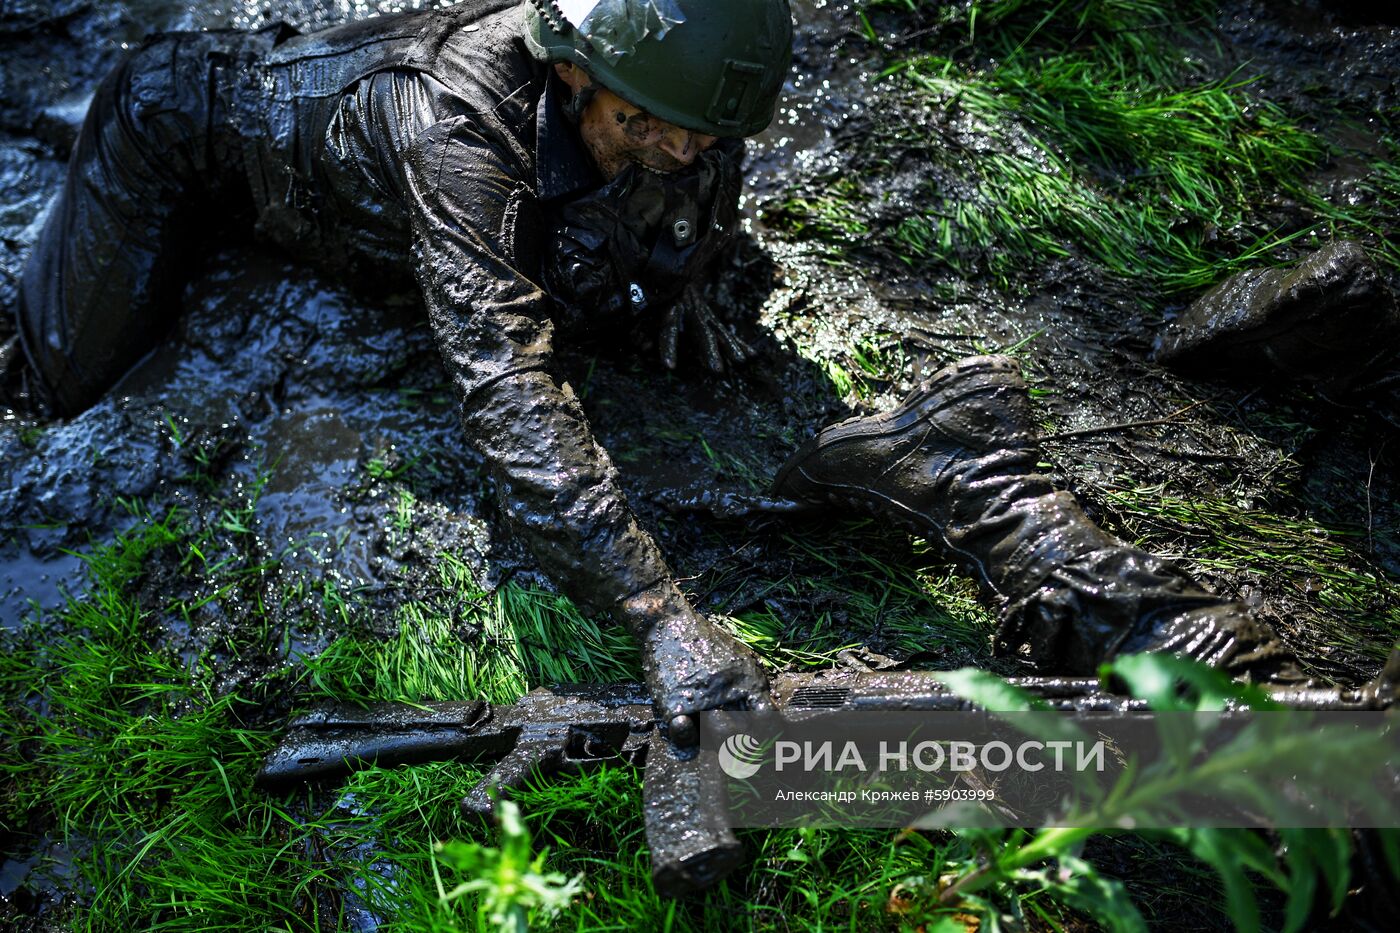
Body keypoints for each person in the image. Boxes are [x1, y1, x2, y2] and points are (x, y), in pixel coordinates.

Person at [3, 0, 1384, 735]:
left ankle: (1010, 512)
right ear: (576, 76)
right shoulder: (450, 134)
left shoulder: (662, 104)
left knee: (655, 303)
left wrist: (703, 262)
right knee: (53, 378)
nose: (690, 155)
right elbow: (505, 395)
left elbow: (700, 156)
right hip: (175, 121)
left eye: (702, 138)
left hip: (431, 145)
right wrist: (662, 617)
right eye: (654, 129)